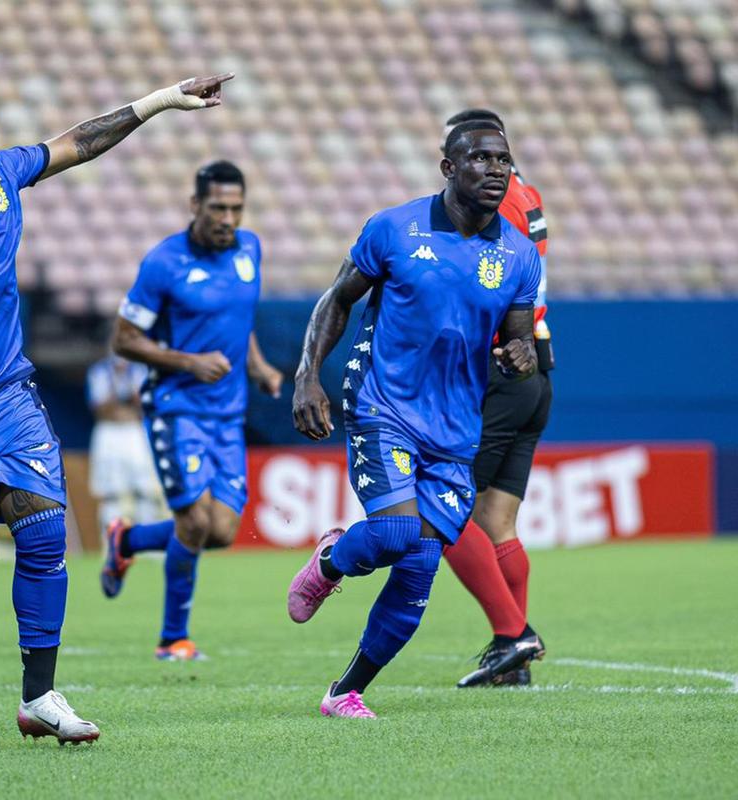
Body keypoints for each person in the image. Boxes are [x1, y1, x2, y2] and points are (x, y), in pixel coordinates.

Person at [0, 65, 233, 745]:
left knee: (45, 532)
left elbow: (80, 141)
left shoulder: (10, 170)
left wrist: (161, 101)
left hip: (5, 396)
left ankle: (40, 696)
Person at [287, 122, 542, 719]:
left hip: (454, 429)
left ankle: (345, 692)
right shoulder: (395, 228)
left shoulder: (519, 254)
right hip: (384, 404)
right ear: (449, 169)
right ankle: (330, 560)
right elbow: (338, 299)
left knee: (420, 568)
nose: (496, 169)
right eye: (480, 158)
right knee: (400, 535)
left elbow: (518, 335)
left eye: (503, 159)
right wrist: (307, 375)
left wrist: (523, 352)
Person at [100, 160, 282, 662]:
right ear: (195, 205)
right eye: (219, 207)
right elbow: (124, 340)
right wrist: (189, 362)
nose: (228, 218)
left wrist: (260, 368)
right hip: (177, 407)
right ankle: (172, 639)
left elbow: (238, 323)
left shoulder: (250, 250)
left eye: (236, 209)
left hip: (229, 412)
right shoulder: (164, 263)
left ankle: (128, 540)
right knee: (194, 522)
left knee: (221, 531)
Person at [439, 110, 554, 688]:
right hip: (535, 367)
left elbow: (484, 283)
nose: (482, 168)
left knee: (443, 509)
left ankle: (513, 635)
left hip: (499, 366)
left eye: (486, 157)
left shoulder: (498, 202)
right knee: (496, 519)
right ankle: (514, 662)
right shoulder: (527, 192)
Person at [86, 352, 163, 538]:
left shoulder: (139, 370)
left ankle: (147, 541)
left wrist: (129, 395)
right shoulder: (99, 372)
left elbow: (145, 403)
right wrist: (119, 389)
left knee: (145, 490)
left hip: (134, 431)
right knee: (111, 492)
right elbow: (100, 407)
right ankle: (111, 544)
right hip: (108, 432)